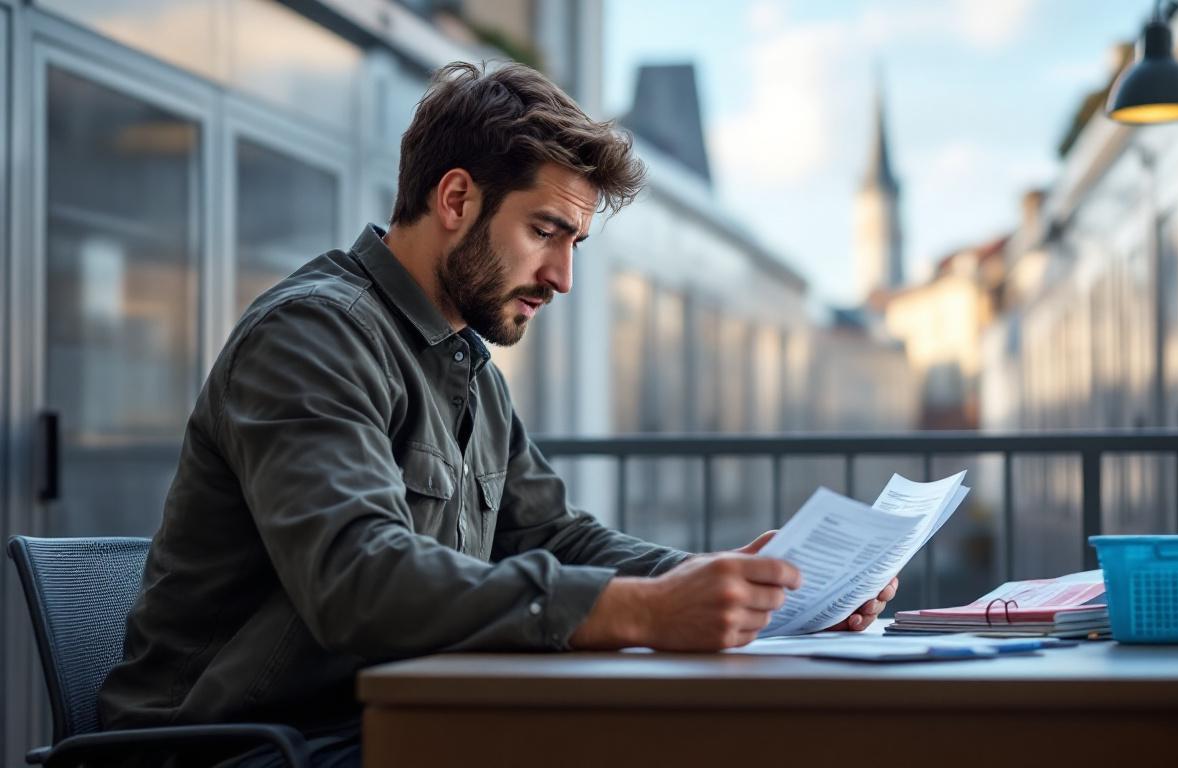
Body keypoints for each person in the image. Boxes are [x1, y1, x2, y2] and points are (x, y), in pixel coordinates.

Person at [98, 61, 897, 767]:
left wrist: (719, 583)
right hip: (235, 749)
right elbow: (358, 578)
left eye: (575, 243)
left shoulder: (466, 365)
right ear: (455, 198)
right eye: (546, 231)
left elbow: (554, 536)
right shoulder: (312, 335)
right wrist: (645, 611)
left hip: (374, 724)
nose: (562, 277)